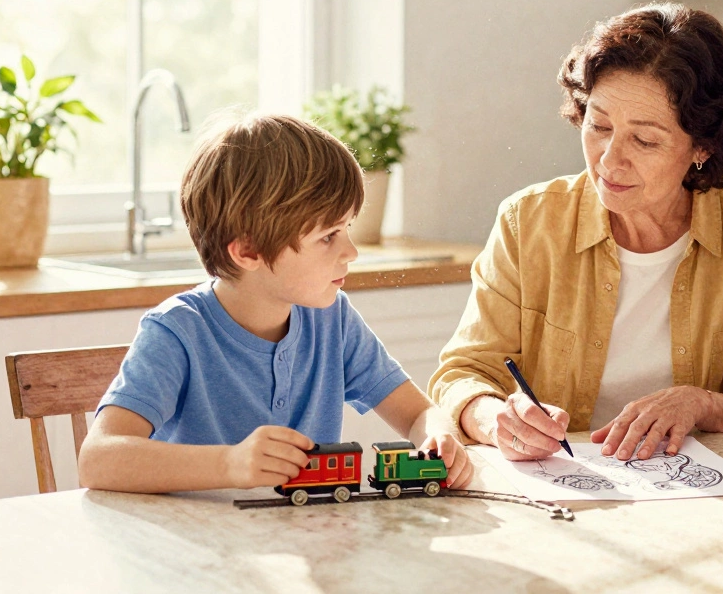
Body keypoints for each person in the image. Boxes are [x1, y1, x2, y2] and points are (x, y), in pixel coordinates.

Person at [429, 2, 723, 463]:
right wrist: (497, 420)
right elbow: (463, 375)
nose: (609, 159)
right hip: (561, 481)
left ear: (703, 147)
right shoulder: (528, 221)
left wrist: (702, 404)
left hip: (701, 488)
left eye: (645, 140)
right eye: (599, 125)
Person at [78, 114, 472, 493]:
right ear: (248, 251)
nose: (351, 252)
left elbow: (418, 413)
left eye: (347, 228)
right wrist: (230, 464)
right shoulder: (177, 332)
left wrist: (439, 437)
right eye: (328, 236)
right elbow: (97, 458)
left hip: (302, 533)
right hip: (192, 536)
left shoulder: (333, 320)